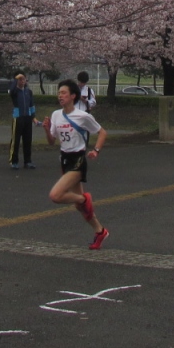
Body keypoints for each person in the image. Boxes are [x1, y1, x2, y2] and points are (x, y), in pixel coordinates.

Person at [44, 78, 109, 249]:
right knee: (81, 207)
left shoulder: (83, 116)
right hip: (64, 159)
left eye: (64, 93)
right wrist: (46, 129)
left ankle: (83, 198)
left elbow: (102, 132)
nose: (60, 96)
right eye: (59, 93)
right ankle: (100, 231)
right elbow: (51, 141)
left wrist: (96, 150)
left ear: (73, 96)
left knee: (56, 195)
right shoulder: (56, 115)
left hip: (78, 160)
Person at [8, 72, 37, 169]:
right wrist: (16, 79)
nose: (22, 81)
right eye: (20, 79)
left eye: (23, 79)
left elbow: (31, 105)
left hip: (27, 118)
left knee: (27, 140)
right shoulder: (14, 92)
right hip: (18, 118)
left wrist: (33, 117)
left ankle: (27, 161)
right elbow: (12, 90)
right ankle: (14, 161)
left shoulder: (28, 91)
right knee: (15, 140)